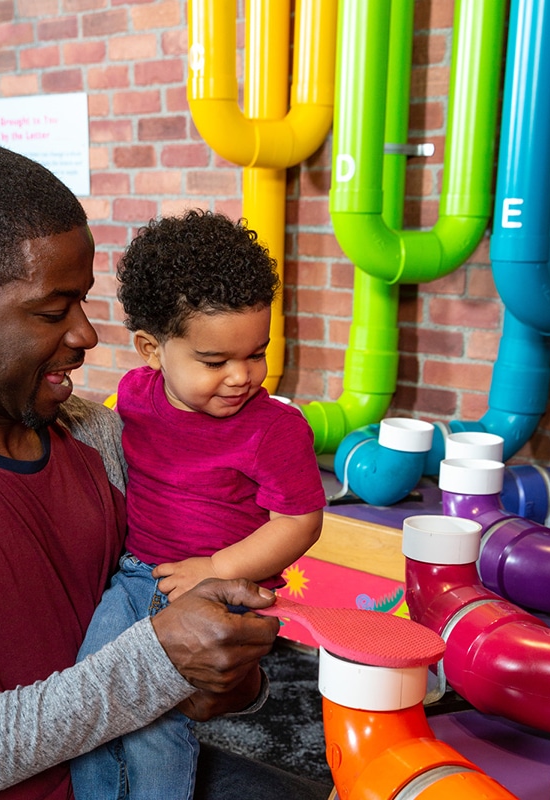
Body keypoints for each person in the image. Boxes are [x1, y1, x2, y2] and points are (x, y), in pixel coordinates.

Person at [0, 143, 332, 800]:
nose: (87, 335)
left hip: (128, 766)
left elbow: (168, 621)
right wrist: (161, 660)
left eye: (84, 301)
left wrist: (228, 674)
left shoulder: (97, 432)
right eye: (52, 310)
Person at [71, 210, 326, 800]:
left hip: (216, 590)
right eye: (215, 362)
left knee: (158, 717)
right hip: (136, 576)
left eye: (256, 353)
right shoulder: (133, 395)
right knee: (92, 694)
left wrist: (217, 570)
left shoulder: (275, 429)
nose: (242, 376)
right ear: (152, 350)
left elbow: (300, 522)